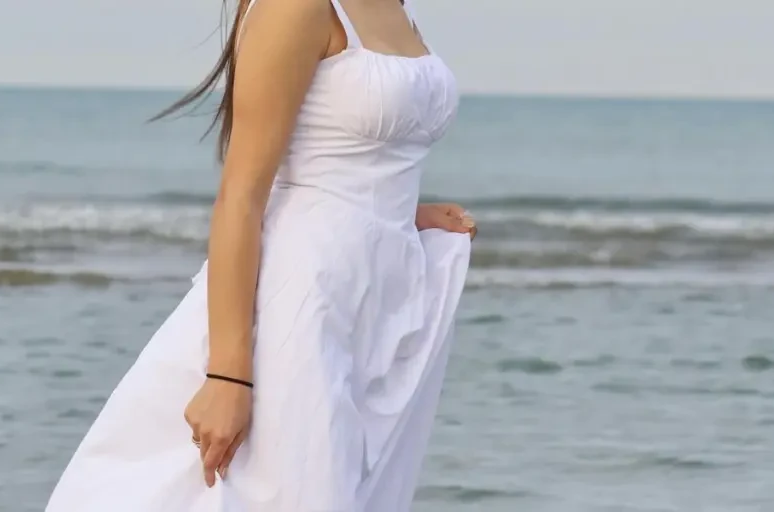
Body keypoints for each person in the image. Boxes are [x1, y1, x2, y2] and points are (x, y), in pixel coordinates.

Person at [45, 0, 476, 510]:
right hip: (301, 303)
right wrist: (228, 374)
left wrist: (405, 214)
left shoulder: (396, 6)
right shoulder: (298, 6)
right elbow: (242, 194)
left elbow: (351, 161)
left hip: (380, 303)